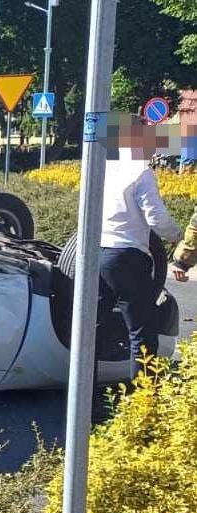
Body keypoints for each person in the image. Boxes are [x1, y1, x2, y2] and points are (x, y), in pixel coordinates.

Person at [97, 116, 182, 388]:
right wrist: (177, 236)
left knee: (93, 326)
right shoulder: (141, 173)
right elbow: (156, 218)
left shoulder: (104, 168)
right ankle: (143, 401)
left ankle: (84, 393)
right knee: (141, 333)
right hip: (127, 257)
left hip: (96, 254)